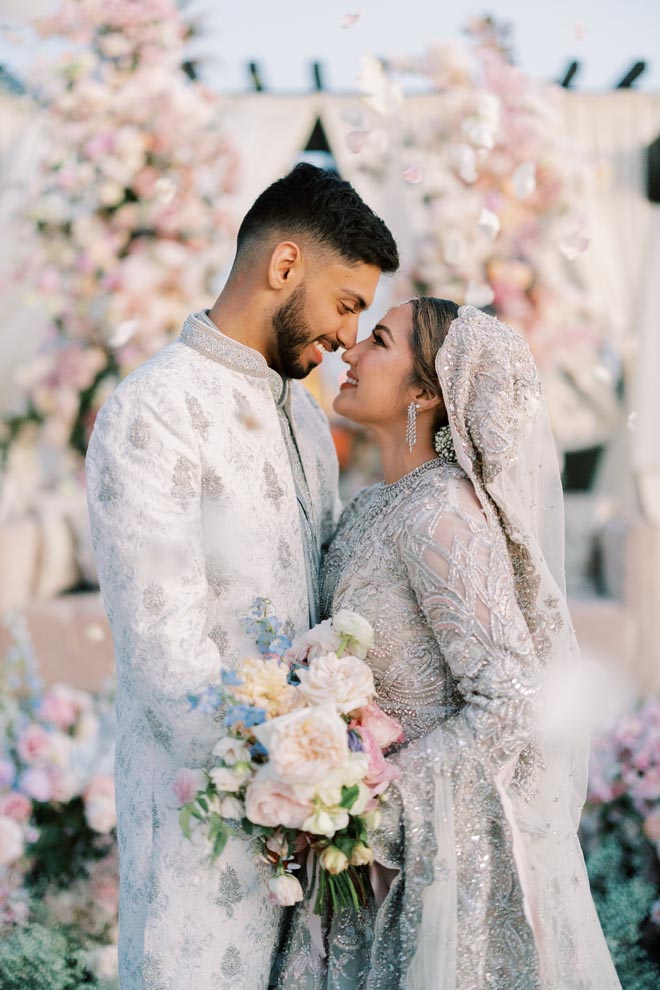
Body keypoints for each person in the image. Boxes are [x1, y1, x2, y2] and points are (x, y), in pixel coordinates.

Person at [85, 163, 398, 990]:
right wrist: (295, 773)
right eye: (347, 304)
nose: (346, 338)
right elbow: (163, 653)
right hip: (206, 822)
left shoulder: (299, 409)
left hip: (311, 826)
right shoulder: (153, 410)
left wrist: (333, 775)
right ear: (285, 266)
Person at [276, 299, 621, 989]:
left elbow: (510, 697)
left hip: (441, 851)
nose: (350, 351)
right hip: (373, 854)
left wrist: (378, 801)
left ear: (426, 392)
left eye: (378, 341)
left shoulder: (442, 511)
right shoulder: (374, 505)